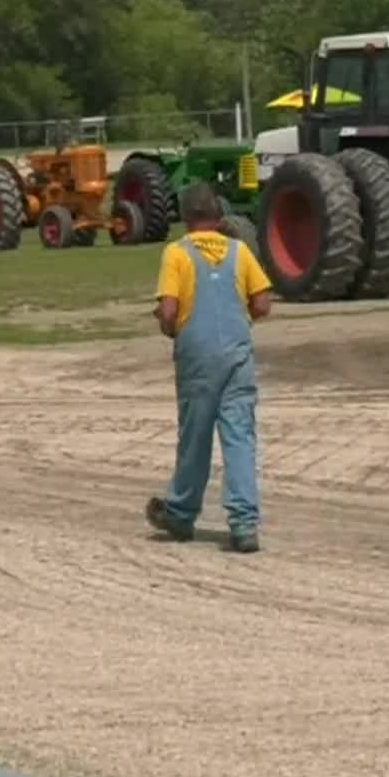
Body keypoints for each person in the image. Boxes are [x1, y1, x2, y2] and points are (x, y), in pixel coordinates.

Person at [145, 183, 273, 554]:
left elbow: (168, 310)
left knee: (195, 436)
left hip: (197, 357)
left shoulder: (177, 254)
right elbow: (263, 304)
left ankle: (182, 513)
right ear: (218, 217)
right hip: (236, 356)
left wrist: (170, 328)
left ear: (186, 218)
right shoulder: (239, 251)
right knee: (239, 437)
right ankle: (244, 523)